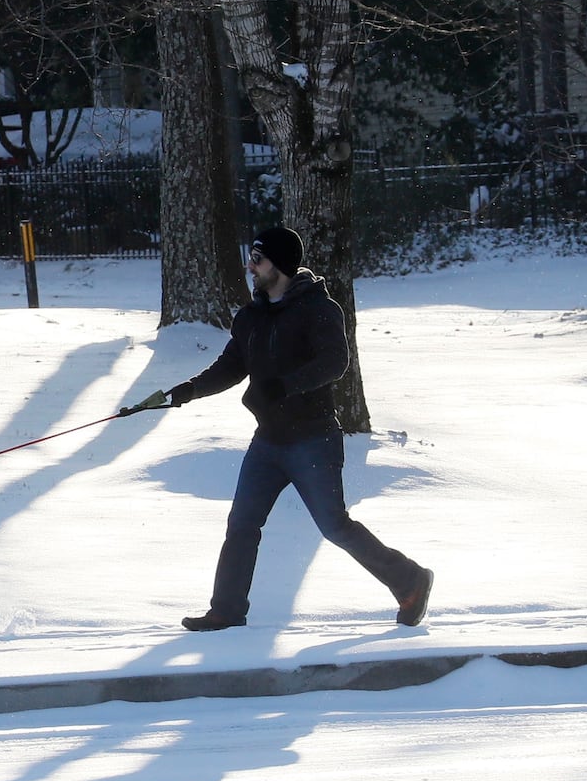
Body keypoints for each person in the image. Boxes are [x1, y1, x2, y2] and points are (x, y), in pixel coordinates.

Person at [163, 226, 433, 631]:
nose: (249, 266)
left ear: (281, 265)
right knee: (241, 524)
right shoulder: (250, 317)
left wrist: (281, 387)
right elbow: (230, 367)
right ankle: (226, 610)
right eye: (251, 258)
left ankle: (409, 579)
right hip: (268, 441)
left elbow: (334, 362)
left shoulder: (319, 310)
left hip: (313, 438)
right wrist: (189, 389)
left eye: (258, 259)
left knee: (334, 526)